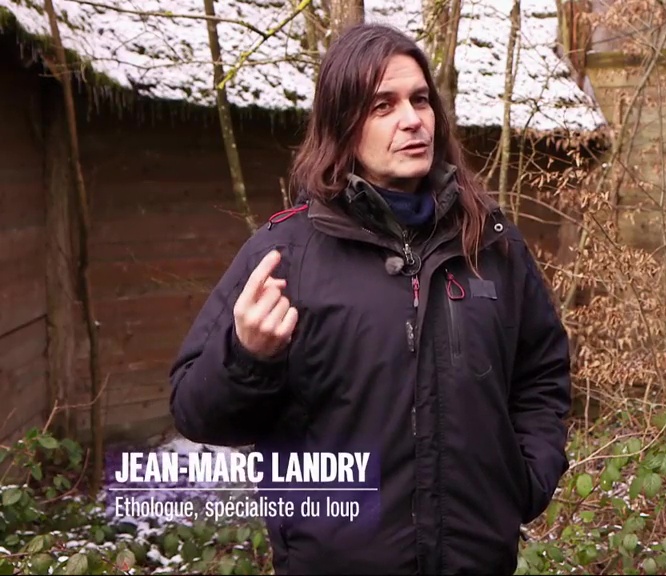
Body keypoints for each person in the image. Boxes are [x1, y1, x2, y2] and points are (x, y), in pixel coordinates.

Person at [168, 22, 573, 575]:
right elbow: (195, 411)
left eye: (420, 100)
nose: (412, 119)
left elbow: (542, 371)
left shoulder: (490, 243)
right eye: (383, 105)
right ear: (343, 125)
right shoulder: (287, 254)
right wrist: (247, 356)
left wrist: (524, 479)